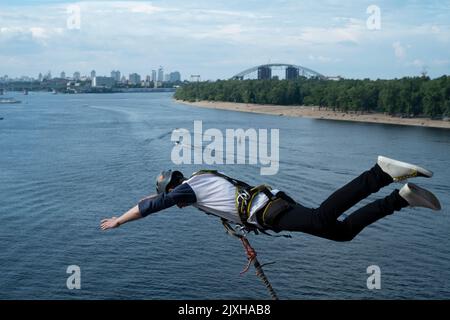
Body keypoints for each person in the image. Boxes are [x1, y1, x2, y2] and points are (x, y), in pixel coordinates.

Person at [100, 156, 441, 242]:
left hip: (268, 213)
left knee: (323, 218)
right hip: (272, 205)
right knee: (342, 233)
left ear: (174, 189)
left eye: (172, 197)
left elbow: (151, 206)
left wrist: (119, 220)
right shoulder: (197, 181)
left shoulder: (188, 190)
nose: (178, 204)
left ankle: (379, 174)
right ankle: (402, 199)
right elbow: (155, 198)